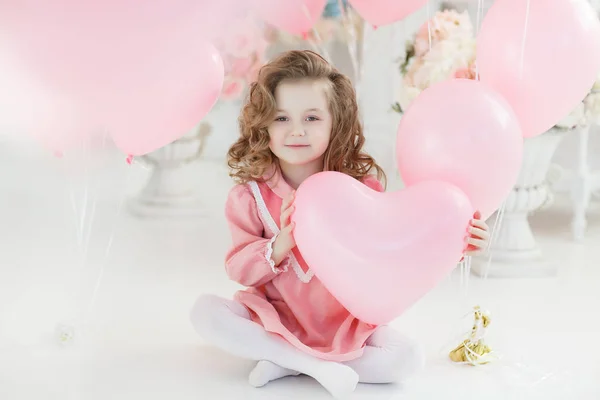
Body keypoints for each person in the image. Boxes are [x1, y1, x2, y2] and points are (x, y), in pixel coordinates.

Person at [190, 50, 490, 398]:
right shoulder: (249, 198)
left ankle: (287, 363)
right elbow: (240, 270)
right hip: (274, 319)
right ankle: (309, 364)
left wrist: (454, 241)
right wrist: (286, 239)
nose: (296, 130)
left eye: (312, 118)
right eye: (282, 118)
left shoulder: (363, 192)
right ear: (264, 125)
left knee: (407, 359)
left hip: (347, 326)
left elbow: (393, 257)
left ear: (336, 122)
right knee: (206, 312)